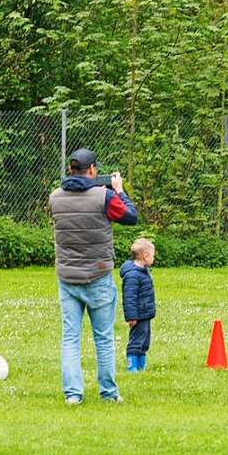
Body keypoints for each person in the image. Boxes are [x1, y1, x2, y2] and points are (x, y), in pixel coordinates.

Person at [49, 148, 138, 404]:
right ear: (92, 171)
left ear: (70, 171)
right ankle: (108, 393)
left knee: (70, 338)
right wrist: (119, 190)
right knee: (103, 338)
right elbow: (130, 217)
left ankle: (73, 395)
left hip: (67, 278)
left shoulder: (55, 198)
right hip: (98, 275)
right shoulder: (105, 197)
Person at [120, 238, 156, 373]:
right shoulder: (133, 275)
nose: (153, 258)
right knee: (136, 341)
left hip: (145, 313)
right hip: (138, 315)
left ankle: (141, 366)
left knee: (144, 341)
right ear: (145, 255)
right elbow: (129, 297)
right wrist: (131, 316)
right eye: (152, 255)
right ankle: (132, 366)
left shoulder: (143, 271)